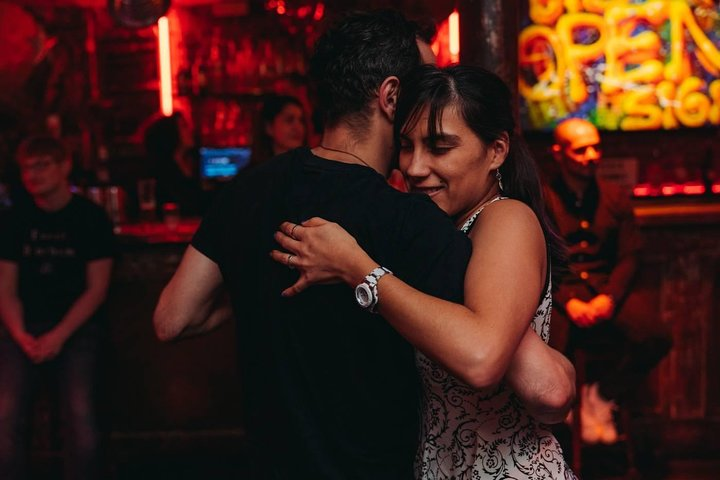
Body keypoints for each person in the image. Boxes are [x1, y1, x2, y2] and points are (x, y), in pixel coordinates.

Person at [154, 10, 573, 479]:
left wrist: (283, 275)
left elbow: (173, 318)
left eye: (439, 146)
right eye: (422, 84)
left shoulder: (247, 190)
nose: (415, 167)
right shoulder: (410, 220)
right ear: (392, 96)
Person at [270, 64, 576, 479]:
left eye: (439, 147)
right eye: (406, 146)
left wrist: (359, 269)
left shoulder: (506, 218)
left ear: (496, 151)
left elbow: (482, 358)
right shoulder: (434, 234)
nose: (413, 167)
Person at [545, 118, 672, 444]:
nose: (591, 155)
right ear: (559, 154)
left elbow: (630, 255)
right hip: (562, 291)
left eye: (596, 147)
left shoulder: (615, 196)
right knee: (545, 346)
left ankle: (602, 395)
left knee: (655, 336)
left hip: (603, 289)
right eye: (581, 149)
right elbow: (540, 258)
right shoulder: (544, 198)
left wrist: (610, 298)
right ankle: (560, 416)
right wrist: (567, 301)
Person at [0, 136, 115, 479]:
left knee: (80, 415)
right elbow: (5, 290)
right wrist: (22, 335)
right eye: (26, 168)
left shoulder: (90, 219)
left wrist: (58, 336)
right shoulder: (13, 219)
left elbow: (97, 290)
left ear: (65, 166)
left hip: (78, 329)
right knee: (4, 415)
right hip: (22, 328)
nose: (32, 175)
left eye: (42, 165)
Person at [143, 112, 203, 216]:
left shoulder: (197, 163)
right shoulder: (160, 171)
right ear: (171, 133)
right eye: (184, 127)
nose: (190, 131)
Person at [249, 94, 307, 167]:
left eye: (301, 121)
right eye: (289, 120)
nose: (298, 127)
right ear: (269, 127)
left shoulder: (313, 171)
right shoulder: (253, 175)